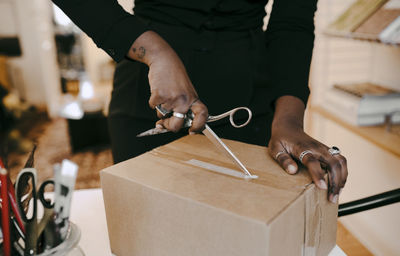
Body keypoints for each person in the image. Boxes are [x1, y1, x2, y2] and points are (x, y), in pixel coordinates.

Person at [52, 0, 347, 203]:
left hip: (250, 99)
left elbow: (292, 22)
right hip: (148, 93)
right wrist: (154, 52)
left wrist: (289, 120)